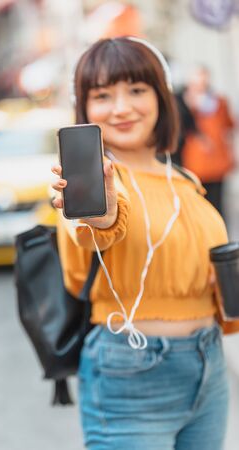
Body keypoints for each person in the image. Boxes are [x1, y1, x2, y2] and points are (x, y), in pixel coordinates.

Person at [51, 37, 239, 450]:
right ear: (83, 107)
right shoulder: (90, 186)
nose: (121, 107)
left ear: (161, 95)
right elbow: (95, 229)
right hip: (130, 370)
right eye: (102, 95)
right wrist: (100, 214)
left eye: (137, 90)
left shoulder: (186, 181)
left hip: (208, 367)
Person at [181, 65, 236, 216]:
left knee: (218, 203)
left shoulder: (219, 102)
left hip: (215, 159)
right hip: (196, 162)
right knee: (201, 204)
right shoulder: (186, 103)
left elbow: (228, 125)